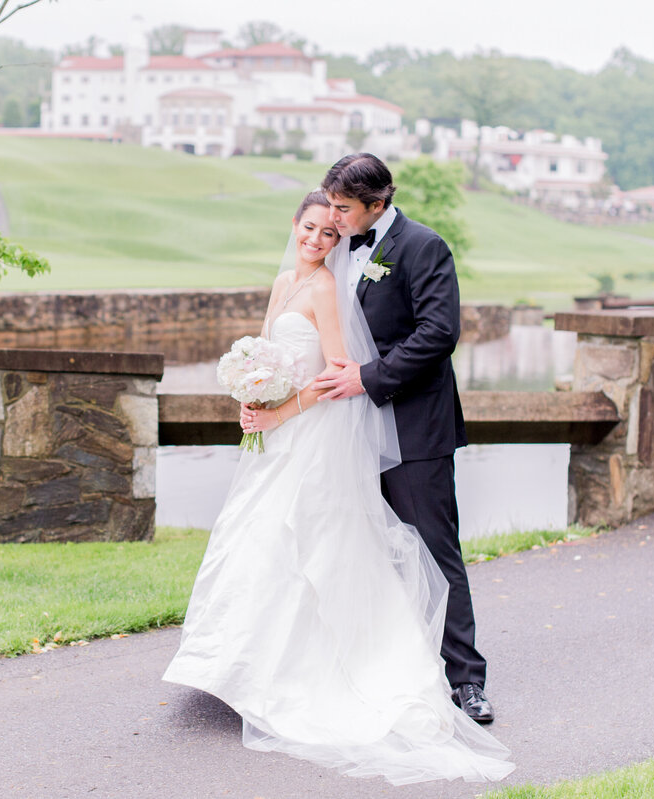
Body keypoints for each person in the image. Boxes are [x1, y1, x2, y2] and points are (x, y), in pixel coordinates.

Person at [162, 191, 514, 785]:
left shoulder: (333, 284)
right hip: (278, 438)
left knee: (327, 543)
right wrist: (253, 395)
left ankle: (446, 678)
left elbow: (335, 372)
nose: (319, 239)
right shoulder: (281, 283)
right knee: (263, 542)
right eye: (312, 228)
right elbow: (272, 354)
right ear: (294, 225)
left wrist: (279, 412)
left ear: (360, 218)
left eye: (331, 231)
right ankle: (250, 669)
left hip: (319, 433)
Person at [310, 153, 494, 724]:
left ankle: (466, 680)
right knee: (355, 550)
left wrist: (367, 378)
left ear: (378, 204)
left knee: (436, 553)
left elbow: (439, 333)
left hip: (413, 428)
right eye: (331, 206)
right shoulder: (335, 246)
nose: (334, 217)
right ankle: (371, 673)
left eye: (344, 208)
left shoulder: (424, 246)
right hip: (345, 433)